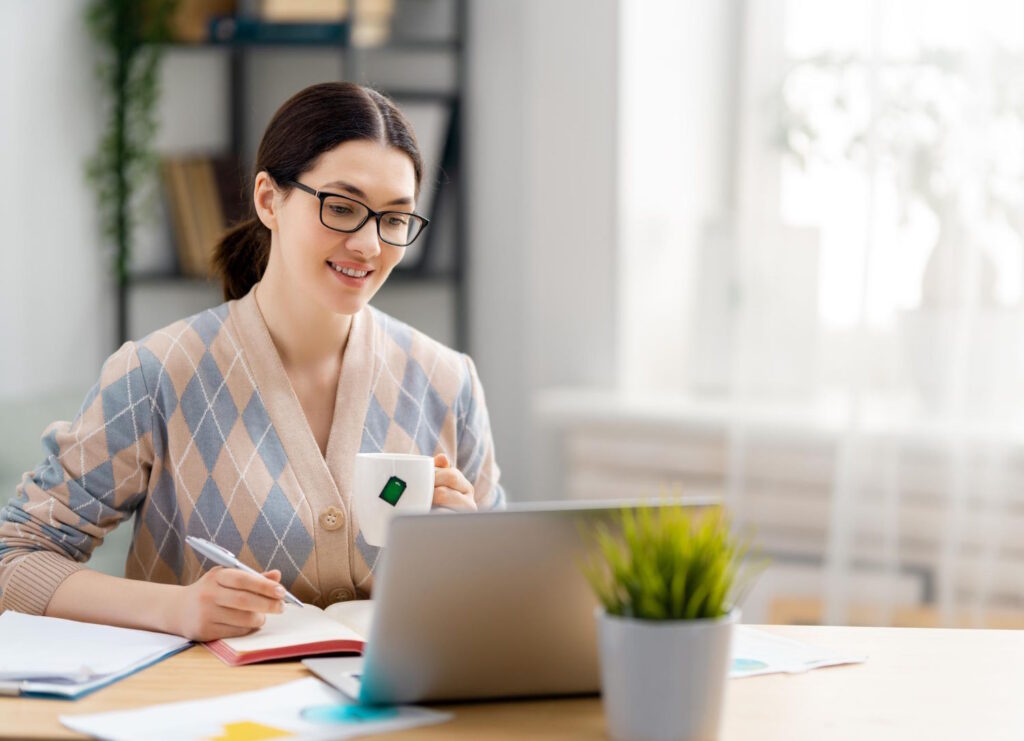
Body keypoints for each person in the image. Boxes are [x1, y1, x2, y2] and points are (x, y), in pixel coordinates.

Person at [0, 82, 504, 641]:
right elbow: (15, 559)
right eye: (341, 208)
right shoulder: (156, 376)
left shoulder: (447, 381)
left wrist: (468, 546)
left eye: (394, 219)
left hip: (393, 718)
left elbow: (510, 590)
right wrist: (177, 610)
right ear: (269, 200)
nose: (369, 244)